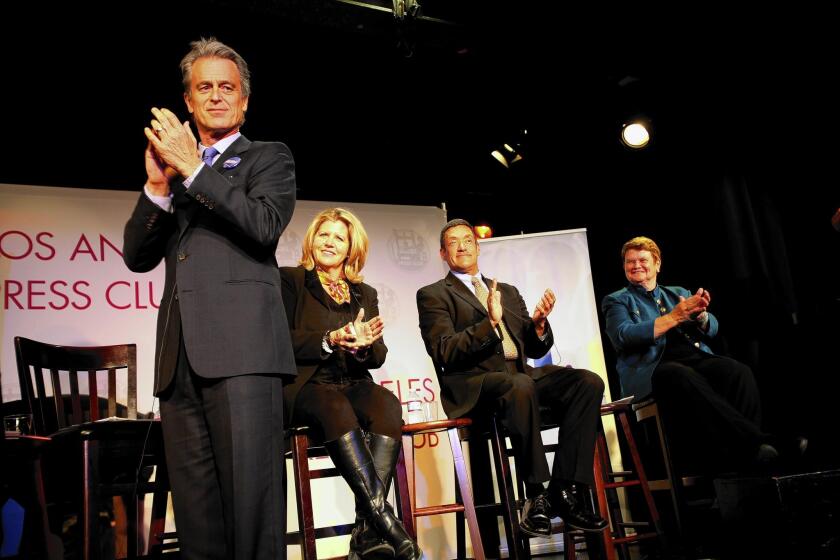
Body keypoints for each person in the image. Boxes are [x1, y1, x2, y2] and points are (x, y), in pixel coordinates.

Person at [122, 38, 296, 559]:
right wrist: (158, 184)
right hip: (179, 365)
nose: (216, 96)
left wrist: (194, 170)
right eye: (205, 87)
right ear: (188, 101)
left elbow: (263, 226)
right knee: (198, 526)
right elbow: (136, 256)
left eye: (228, 87)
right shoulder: (172, 177)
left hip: (245, 359)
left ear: (244, 103)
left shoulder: (268, 157)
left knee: (252, 519)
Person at [416, 219, 607, 538]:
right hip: (475, 386)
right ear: (442, 253)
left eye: (468, 240)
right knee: (519, 384)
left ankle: (561, 488)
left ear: (478, 247)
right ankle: (535, 494)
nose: (462, 246)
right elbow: (443, 350)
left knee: (588, 382)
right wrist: (489, 323)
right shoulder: (433, 295)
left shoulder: (507, 290)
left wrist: (540, 326)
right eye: (453, 242)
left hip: (521, 378)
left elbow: (531, 348)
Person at [281, 208, 422, 560]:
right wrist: (330, 339)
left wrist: (362, 346)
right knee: (336, 406)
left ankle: (365, 530)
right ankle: (386, 521)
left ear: (351, 248)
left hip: (353, 379)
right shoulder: (291, 280)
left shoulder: (364, 293)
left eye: (338, 237)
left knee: (387, 404)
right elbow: (279, 338)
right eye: (323, 235)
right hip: (309, 384)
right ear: (312, 240)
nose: (329, 242)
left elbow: (378, 356)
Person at [601, 236, 804, 473]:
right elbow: (623, 336)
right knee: (681, 375)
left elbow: (714, 328)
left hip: (694, 360)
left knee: (738, 372)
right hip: (653, 370)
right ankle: (759, 445)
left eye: (642, 260)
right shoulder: (616, 300)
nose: (636, 265)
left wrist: (701, 316)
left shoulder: (677, 292)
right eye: (630, 261)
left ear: (657, 264)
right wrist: (675, 317)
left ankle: (746, 463)